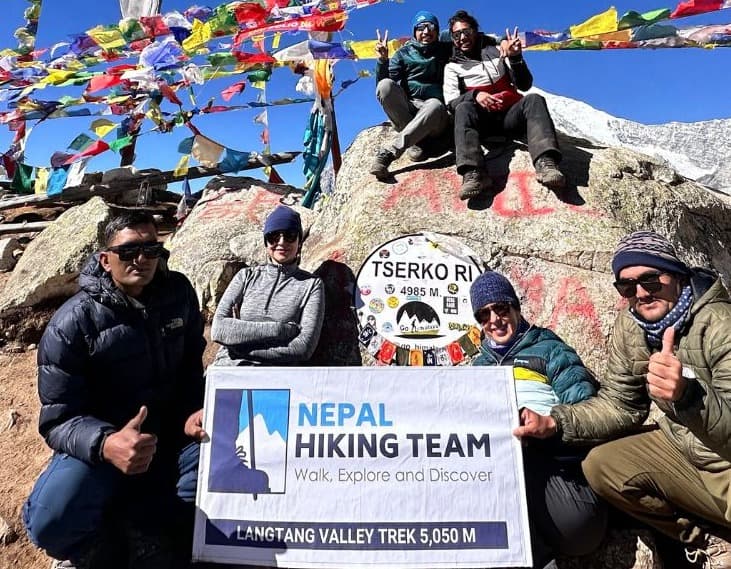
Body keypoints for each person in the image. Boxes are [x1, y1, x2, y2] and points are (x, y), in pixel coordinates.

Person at [515, 230, 731, 568]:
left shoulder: (721, 325)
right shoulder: (633, 327)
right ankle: (708, 540)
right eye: (627, 288)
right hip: (686, 448)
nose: (641, 294)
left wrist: (687, 396)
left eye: (651, 281)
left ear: (675, 275)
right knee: (602, 464)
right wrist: (554, 422)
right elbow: (620, 404)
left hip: (725, 459)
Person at [23, 212, 206, 569]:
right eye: (129, 250)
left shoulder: (179, 294)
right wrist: (107, 443)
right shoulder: (71, 323)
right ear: (106, 260)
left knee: (233, 467)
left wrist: (190, 415)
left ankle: (146, 531)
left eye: (151, 248)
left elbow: (189, 374)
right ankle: (102, 545)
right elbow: (58, 420)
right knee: (51, 521)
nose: (142, 258)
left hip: (168, 440)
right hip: (101, 452)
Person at [469, 270, 606, 569]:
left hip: (559, 476)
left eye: (501, 308)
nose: (494, 319)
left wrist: (547, 425)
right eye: (483, 314)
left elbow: (588, 412)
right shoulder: (476, 367)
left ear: (516, 307)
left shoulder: (550, 349)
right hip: (499, 476)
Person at [444, 11, 565, 200]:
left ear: (475, 31)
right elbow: (451, 103)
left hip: (511, 117)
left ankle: (546, 163)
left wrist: (516, 58)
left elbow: (524, 84)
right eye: (456, 35)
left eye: (466, 32)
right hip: (483, 124)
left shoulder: (497, 50)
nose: (462, 38)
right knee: (462, 108)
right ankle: (473, 174)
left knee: (534, 99)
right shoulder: (452, 66)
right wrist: (475, 95)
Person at [211, 205, 324, 366]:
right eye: (273, 236)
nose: (282, 242)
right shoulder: (245, 276)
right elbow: (219, 330)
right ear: (265, 242)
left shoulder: (312, 285)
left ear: (299, 241)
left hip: (275, 379)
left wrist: (239, 346)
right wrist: (280, 330)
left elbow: (303, 348)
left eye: (290, 235)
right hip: (229, 371)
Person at [368, 10, 452, 181]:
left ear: (437, 30)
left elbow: (470, 35)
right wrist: (383, 61)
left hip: (436, 115)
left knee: (434, 105)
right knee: (385, 86)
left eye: (431, 27)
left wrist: (501, 41)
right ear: (414, 31)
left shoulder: (446, 48)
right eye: (421, 28)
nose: (426, 32)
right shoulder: (403, 53)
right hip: (411, 110)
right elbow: (384, 86)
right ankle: (414, 141)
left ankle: (391, 151)